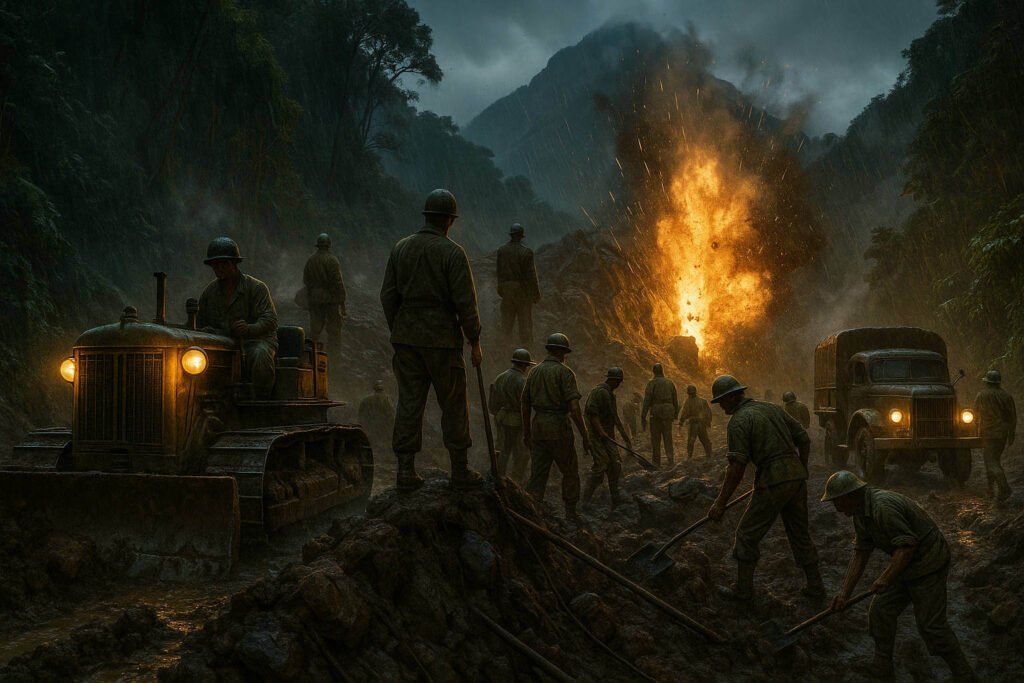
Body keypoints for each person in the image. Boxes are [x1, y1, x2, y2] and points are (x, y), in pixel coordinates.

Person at [822, 471, 977, 680]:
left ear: (848, 497)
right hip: (905, 564)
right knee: (880, 610)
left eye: (837, 503)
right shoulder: (860, 512)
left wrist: (885, 578)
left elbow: (907, 546)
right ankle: (883, 665)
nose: (837, 509)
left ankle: (964, 674)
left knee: (931, 627)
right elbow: (861, 553)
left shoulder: (882, 507)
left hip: (928, 562)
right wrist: (844, 593)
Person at [380, 189, 483, 491]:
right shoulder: (452, 253)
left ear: (427, 216)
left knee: (409, 402)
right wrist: (474, 339)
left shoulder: (401, 248)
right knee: (453, 403)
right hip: (442, 341)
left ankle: (404, 470)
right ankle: (460, 470)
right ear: (449, 220)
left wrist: (399, 329)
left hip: (407, 339)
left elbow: (387, 295)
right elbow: (466, 302)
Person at [707, 374, 824, 600]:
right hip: (796, 478)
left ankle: (743, 593)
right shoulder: (772, 408)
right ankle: (816, 586)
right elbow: (804, 438)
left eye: (721, 401)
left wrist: (719, 503)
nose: (720, 406)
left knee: (746, 535)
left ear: (732, 397)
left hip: (772, 480)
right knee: (800, 534)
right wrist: (803, 467)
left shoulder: (739, 422)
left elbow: (736, 469)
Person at [197, 237, 278, 398]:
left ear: (234, 263)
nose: (219, 268)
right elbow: (199, 326)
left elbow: (270, 320)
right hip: (222, 344)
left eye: (224, 264)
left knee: (260, 356)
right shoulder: (208, 293)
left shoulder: (256, 288)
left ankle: (261, 404)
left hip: (255, 341)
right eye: (215, 265)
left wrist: (249, 329)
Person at [522, 333, 591, 521]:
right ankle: (570, 512)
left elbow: (525, 404)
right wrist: (585, 435)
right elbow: (575, 408)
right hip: (558, 426)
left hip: (538, 427)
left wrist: (527, 432)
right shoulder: (565, 372)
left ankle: (532, 512)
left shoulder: (534, 372)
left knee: (538, 473)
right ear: (563, 352)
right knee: (569, 470)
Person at [582, 368, 632, 509]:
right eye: (619, 382)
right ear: (613, 380)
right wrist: (601, 432)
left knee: (615, 465)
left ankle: (615, 500)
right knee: (601, 466)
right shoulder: (599, 392)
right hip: (596, 436)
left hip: (606, 436)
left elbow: (614, 418)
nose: (619, 384)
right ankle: (585, 501)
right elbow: (592, 414)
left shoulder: (610, 395)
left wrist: (625, 437)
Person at [490, 348, 536, 483]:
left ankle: (497, 478)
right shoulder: (522, 381)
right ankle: (516, 482)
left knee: (502, 449)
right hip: (516, 420)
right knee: (521, 453)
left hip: (501, 417)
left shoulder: (500, 377)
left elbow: (492, 403)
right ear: (525, 365)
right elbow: (525, 405)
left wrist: (498, 413)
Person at [974, 370, 1016, 502]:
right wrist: (1011, 434)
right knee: (993, 460)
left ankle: (1004, 488)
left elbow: (975, 412)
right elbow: (1012, 417)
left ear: (987, 382)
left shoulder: (982, 395)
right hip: (1002, 433)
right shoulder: (1006, 396)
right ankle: (991, 490)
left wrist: (976, 430)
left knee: (991, 461)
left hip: (988, 433)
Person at [303, 232, 347, 359]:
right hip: (330, 299)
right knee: (334, 330)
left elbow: (306, 280)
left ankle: (309, 356)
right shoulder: (332, 260)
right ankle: (333, 357)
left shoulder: (311, 260)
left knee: (315, 330)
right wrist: (342, 302)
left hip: (314, 299)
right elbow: (338, 282)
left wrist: (311, 295)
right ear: (329, 245)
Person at [495, 223, 541, 343]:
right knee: (525, 325)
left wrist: (501, 289)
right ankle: (527, 353)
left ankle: (502, 351)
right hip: (522, 292)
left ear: (511, 235)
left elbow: (499, 272)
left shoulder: (502, 250)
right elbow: (531, 275)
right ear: (521, 236)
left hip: (507, 291)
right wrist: (536, 294)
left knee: (506, 324)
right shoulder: (526, 252)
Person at [641, 363, 679, 467]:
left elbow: (647, 400)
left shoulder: (651, 383)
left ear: (654, 372)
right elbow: (675, 400)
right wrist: (675, 414)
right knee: (668, 437)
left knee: (656, 438)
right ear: (662, 371)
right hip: (668, 412)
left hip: (656, 412)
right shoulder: (670, 383)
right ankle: (670, 460)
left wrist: (643, 415)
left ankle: (656, 463)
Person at [358, 380, 396, 454]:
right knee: (383, 443)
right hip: (383, 426)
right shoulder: (387, 399)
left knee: (373, 443)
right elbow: (391, 414)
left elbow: (361, 414)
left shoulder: (366, 400)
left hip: (371, 425)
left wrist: (363, 424)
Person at [680, 384, 713, 458]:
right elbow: (709, 413)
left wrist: (681, 422)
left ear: (688, 393)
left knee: (691, 441)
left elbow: (685, 413)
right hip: (701, 424)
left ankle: (689, 457)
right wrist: (708, 422)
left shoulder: (688, 401)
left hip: (694, 425)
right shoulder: (703, 401)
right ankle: (709, 455)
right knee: (705, 440)